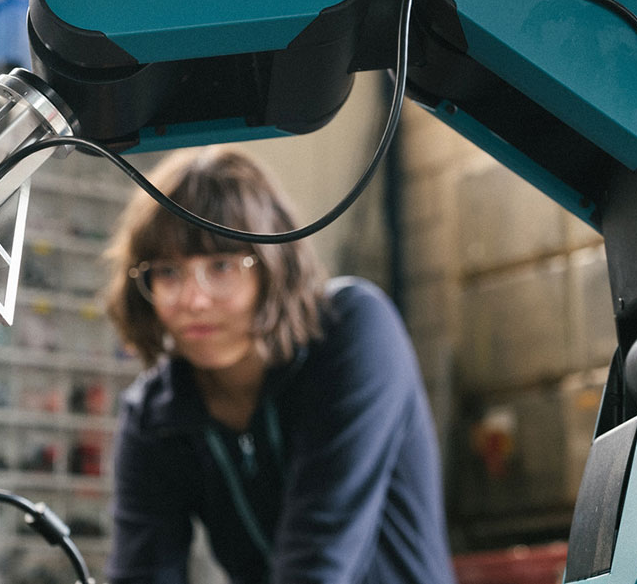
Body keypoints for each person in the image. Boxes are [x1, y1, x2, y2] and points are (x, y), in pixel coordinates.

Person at [101, 146, 454, 584]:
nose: (193, 299)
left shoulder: (353, 331)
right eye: (169, 272)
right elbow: (142, 573)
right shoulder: (155, 415)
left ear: (273, 268)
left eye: (222, 265)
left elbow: (318, 565)